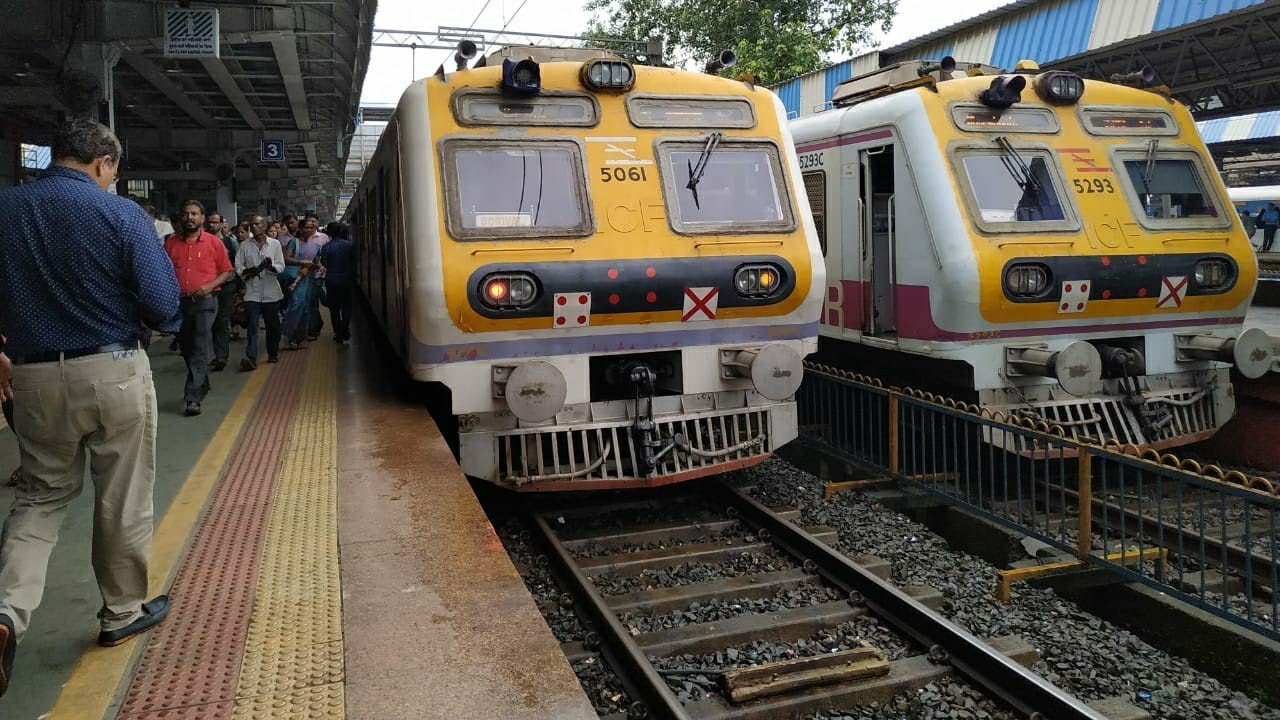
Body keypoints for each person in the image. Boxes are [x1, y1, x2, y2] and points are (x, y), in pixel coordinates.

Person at [0, 118, 181, 695]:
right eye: (113, 172)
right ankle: (121, 612)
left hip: (31, 376)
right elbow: (161, 301)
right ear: (104, 162)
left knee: (39, 496)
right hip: (112, 371)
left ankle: (6, 614)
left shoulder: (5, 208)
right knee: (122, 496)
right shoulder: (122, 214)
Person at [165, 201, 234, 416]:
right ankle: (202, 383)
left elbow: (227, 271)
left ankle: (193, 398)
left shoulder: (214, 243)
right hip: (179, 303)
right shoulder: (171, 244)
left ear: (202, 218)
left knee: (199, 345)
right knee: (186, 347)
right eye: (186, 214)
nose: (190, 218)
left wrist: (209, 286)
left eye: (194, 214)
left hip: (205, 302)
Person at [235, 216, 284, 370]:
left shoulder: (275, 244)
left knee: (273, 326)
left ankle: (273, 353)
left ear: (264, 226)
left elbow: (281, 265)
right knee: (252, 326)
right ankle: (251, 357)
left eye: (257, 224)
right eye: (252, 225)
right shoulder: (244, 246)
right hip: (252, 293)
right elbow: (239, 268)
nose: (254, 227)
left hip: (271, 292)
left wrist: (270, 267)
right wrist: (255, 269)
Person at [281, 217, 324, 351]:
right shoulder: (294, 242)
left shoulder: (316, 245)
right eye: (307, 227)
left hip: (308, 278)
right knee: (296, 305)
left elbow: (317, 261)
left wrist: (320, 267)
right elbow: (286, 258)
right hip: (295, 278)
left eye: (312, 228)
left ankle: (300, 337)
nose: (309, 230)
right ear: (300, 228)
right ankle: (289, 336)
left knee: (305, 307)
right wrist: (301, 262)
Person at [206, 212, 239, 371]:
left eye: (215, 222)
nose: (211, 225)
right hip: (208, 286)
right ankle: (215, 353)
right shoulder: (203, 241)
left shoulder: (229, 241)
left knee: (222, 320)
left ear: (221, 224)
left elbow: (237, 262)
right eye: (209, 222)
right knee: (210, 322)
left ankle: (221, 356)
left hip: (226, 285)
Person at [318, 222, 354, 344]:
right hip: (346, 280)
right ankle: (345, 329)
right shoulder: (349, 245)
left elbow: (324, 263)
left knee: (334, 308)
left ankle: (338, 332)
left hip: (331, 280)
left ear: (329, 233)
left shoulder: (326, 247)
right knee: (346, 307)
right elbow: (353, 261)